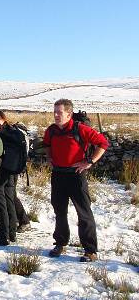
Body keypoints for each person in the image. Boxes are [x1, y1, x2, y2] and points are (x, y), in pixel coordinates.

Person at [43, 99, 108, 262]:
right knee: (59, 211)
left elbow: (103, 143)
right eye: (55, 112)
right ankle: (60, 243)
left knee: (84, 212)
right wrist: (50, 157)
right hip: (58, 175)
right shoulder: (51, 130)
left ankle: (90, 250)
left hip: (76, 175)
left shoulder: (80, 129)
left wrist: (89, 162)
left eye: (60, 112)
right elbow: (46, 144)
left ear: (69, 114)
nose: (56, 115)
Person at [0, 110, 20, 245]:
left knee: (0, 203)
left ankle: (3, 235)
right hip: (12, 170)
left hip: (0, 171)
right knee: (10, 201)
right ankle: (12, 233)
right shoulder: (13, 130)